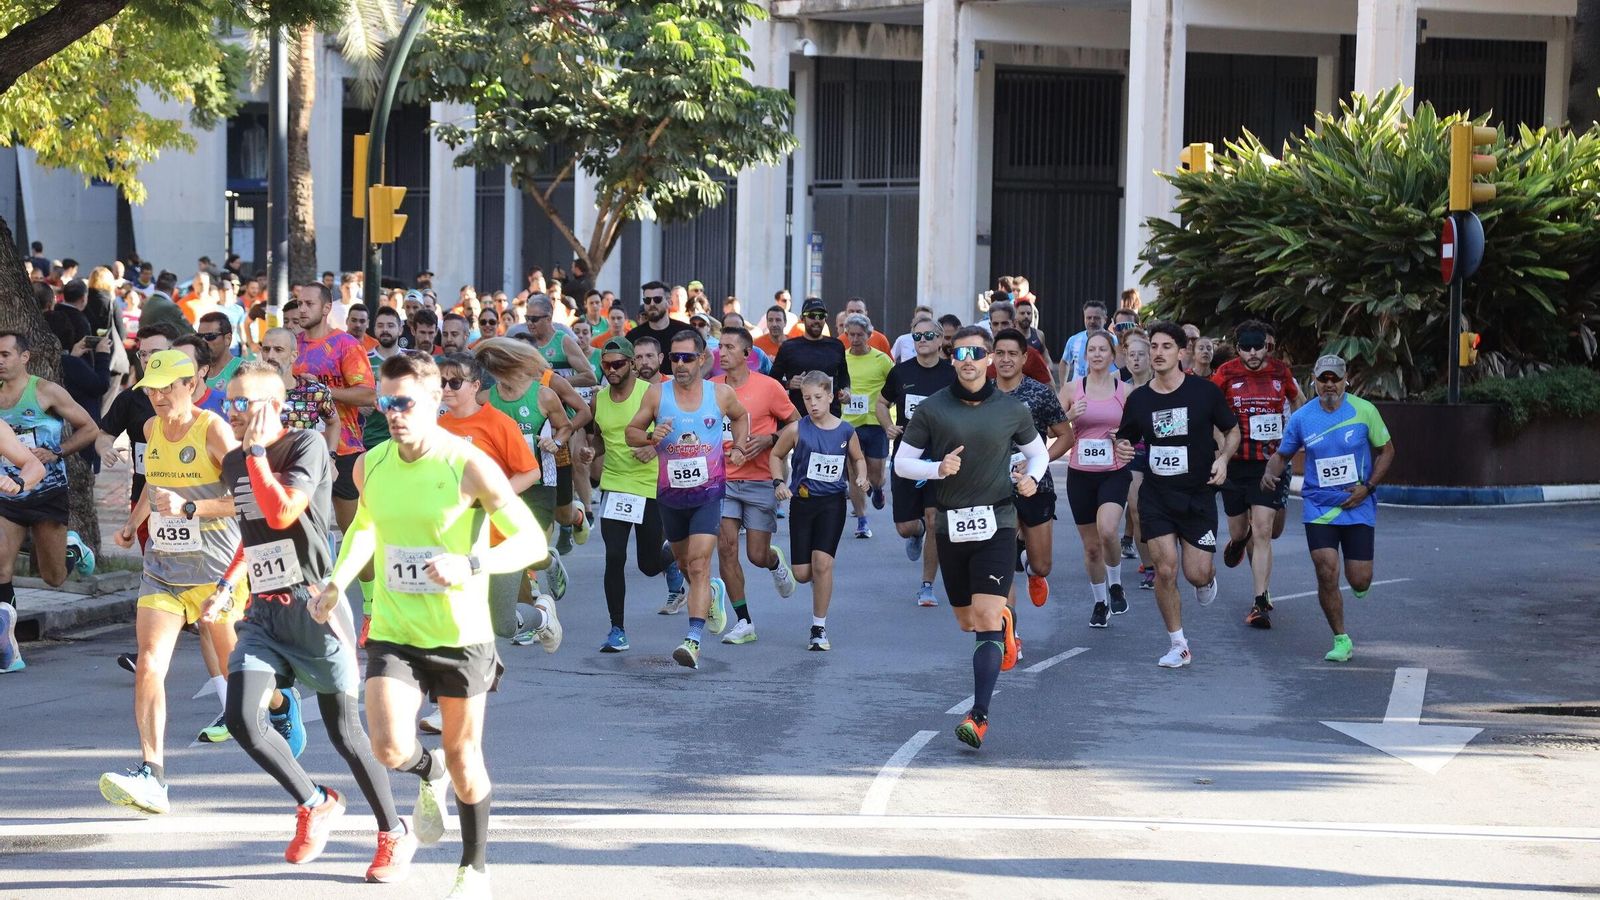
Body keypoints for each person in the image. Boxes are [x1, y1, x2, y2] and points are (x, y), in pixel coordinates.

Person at [311, 351, 548, 899]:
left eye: (405, 403)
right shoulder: (369, 463)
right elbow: (366, 527)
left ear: (436, 401)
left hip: (462, 635)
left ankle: (474, 865)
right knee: (390, 748)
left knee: (468, 760)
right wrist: (338, 580)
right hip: (396, 629)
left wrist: (470, 563)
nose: (393, 413)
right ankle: (426, 771)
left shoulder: (467, 464)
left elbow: (530, 541)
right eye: (385, 402)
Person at [216, 361, 414, 880]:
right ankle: (314, 801)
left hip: (316, 607)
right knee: (241, 718)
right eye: (228, 402)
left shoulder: (305, 445)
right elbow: (254, 529)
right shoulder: (235, 460)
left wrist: (258, 456)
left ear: (272, 406)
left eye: (242, 404)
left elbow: (283, 513)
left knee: (347, 735)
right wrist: (227, 582)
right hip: (263, 612)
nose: (231, 412)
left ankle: (394, 831)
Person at [99, 350, 250, 812]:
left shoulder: (214, 430)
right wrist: (133, 521)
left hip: (214, 572)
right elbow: (153, 481)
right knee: (149, 663)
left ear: (192, 384)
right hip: (163, 569)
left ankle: (281, 708)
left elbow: (247, 500)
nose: (159, 397)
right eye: (152, 389)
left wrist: (190, 509)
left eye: (168, 388)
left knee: (237, 676)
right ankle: (153, 774)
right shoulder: (149, 429)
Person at [892, 327, 1047, 749]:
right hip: (949, 524)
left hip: (998, 521)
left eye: (976, 352)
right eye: (959, 352)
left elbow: (1039, 452)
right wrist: (936, 469)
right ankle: (1004, 623)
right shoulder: (932, 409)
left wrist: (1030, 480)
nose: (968, 359)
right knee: (967, 621)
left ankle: (978, 716)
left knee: (984, 621)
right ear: (951, 356)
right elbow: (903, 464)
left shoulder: (1011, 409)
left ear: (989, 360)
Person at [1113, 323, 1238, 668]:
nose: (1157, 352)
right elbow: (1124, 438)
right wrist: (1122, 449)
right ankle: (1178, 644)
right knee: (1165, 570)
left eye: (1166, 346)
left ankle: (1206, 578)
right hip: (1157, 495)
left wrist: (1224, 458)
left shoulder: (1204, 392)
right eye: (1154, 346)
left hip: (1197, 494)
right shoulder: (1139, 399)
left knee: (1195, 573)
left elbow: (1232, 430)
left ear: (1181, 352)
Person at [625, 330, 750, 669]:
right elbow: (631, 433)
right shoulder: (656, 394)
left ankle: (692, 640)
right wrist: (651, 437)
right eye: (675, 357)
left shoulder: (720, 394)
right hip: (669, 496)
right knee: (683, 564)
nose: (680, 364)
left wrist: (738, 446)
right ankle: (711, 591)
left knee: (697, 563)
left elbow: (741, 417)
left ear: (701, 359)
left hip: (709, 494)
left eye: (687, 358)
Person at [1263, 355, 1396, 663]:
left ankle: (1360, 584)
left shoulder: (1364, 411)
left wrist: (1369, 487)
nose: (1329, 384)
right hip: (1319, 506)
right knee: (1326, 570)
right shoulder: (1302, 418)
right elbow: (1282, 456)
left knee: (1359, 578)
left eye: (1335, 378)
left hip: (1358, 502)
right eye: (1323, 379)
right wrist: (1270, 472)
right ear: (1314, 380)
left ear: (1345, 378)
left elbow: (1387, 450)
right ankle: (1341, 638)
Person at [434, 353, 553, 653]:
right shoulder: (435, 428)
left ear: (474, 385)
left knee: (503, 625)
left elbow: (531, 472)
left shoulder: (498, 422)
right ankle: (457, 684)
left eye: (455, 382)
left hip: (498, 537)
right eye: (441, 382)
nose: (446, 388)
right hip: (453, 539)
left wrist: (492, 497)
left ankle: (542, 616)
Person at [580, 337, 687, 651]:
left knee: (648, 565)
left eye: (618, 364)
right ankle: (617, 629)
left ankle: (670, 559)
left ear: (630, 365)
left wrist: (653, 448)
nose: (611, 370)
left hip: (648, 486)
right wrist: (590, 452)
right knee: (614, 557)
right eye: (606, 365)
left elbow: (679, 433)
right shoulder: (599, 399)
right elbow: (601, 438)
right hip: (615, 485)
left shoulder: (650, 394)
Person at [0, 331, 100, 668]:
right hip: (8, 494)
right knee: (1, 566)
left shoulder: (45, 392)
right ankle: (7, 649)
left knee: (53, 577)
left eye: (5, 355)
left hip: (48, 493)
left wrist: (55, 452)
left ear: (24, 357)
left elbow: (89, 428)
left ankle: (72, 547)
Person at [711, 327, 800, 646]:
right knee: (726, 546)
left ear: (747, 354)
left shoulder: (769, 387)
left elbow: (796, 423)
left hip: (761, 478)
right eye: (720, 346)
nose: (722, 352)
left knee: (756, 554)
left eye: (730, 347)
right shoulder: (711, 388)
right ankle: (744, 621)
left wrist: (769, 440)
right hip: (722, 479)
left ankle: (773, 561)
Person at [1213, 320, 1303, 629]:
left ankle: (1260, 602)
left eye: (1258, 347)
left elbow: (1298, 403)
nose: (1253, 354)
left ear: (1266, 346)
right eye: (1246, 348)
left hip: (1267, 464)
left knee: (1264, 530)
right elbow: (1210, 410)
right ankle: (1239, 542)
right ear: (1237, 348)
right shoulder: (1225, 373)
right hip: (1236, 462)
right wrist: (1220, 448)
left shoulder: (1280, 371)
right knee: (1241, 531)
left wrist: (1289, 441)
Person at [770, 371, 868, 650]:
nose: (812, 404)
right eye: (806, 398)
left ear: (829, 396)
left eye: (817, 398)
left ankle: (819, 628)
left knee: (823, 564)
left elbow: (858, 459)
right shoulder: (797, 429)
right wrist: (779, 482)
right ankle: (788, 568)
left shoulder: (846, 430)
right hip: (802, 502)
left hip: (831, 503)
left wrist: (861, 476)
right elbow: (775, 455)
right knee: (803, 574)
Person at [991, 328, 1071, 620]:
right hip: (995, 487)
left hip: (1036, 484)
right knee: (1000, 560)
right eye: (1000, 353)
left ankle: (1032, 567)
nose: (1006, 359)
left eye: (1013, 354)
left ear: (1025, 357)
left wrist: (1038, 460)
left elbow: (1065, 437)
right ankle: (1009, 632)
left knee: (1042, 564)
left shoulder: (1039, 393)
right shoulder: (982, 393)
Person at [877, 314, 955, 607]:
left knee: (935, 519)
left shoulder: (951, 374)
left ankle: (927, 585)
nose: (922, 341)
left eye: (928, 335)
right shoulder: (901, 373)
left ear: (939, 340)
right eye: (916, 336)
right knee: (906, 526)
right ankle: (917, 532)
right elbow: (882, 403)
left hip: (939, 460)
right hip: (907, 456)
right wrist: (887, 425)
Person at [292, 282, 377, 544]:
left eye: (309, 304)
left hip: (343, 449)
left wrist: (320, 390)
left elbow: (367, 395)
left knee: (353, 534)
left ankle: (368, 586)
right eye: (299, 304)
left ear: (327, 308)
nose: (302, 310)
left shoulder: (345, 344)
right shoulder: (291, 345)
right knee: (301, 534)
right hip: (299, 449)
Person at [1063, 330, 1134, 627]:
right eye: (1091, 349)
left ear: (1113, 354)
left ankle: (1115, 582)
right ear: (1084, 355)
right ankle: (1100, 602)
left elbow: (1138, 432)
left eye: (1102, 349)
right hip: (1080, 474)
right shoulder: (1071, 389)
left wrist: (1126, 438)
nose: (1096, 354)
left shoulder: (1125, 391)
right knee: (1092, 547)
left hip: (1114, 472)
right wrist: (1069, 414)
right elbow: (1051, 428)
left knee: (1107, 530)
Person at [840, 314, 893, 539]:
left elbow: (895, 387)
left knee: (876, 475)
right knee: (854, 473)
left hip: (874, 422)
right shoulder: (841, 359)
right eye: (850, 334)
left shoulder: (881, 360)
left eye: (859, 335)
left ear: (869, 335)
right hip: (850, 424)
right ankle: (862, 520)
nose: (854, 339)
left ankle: (879, 489)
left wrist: (886, 404)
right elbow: (834, 385)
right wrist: (841, 395)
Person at [259, 329, 339, 453]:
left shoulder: (315, 391)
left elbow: (334, 423)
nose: (270, 356)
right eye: (266, 349)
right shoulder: (251, 391)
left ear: (294, 356)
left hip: (302, 468)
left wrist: (330, 457)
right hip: (262, 469)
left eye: (278, 350)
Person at [769, 297, 850, 416]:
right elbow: (772, 381)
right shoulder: (789, 347)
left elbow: (844, 377)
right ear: (802, 318)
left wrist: (847, 391)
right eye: (812, 315)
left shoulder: (836, 346)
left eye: (821, 315)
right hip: (799, 417)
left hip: (830, 416)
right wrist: (789, 384)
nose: (817, 320)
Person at [625, 281, 695, 350]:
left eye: (657, 299)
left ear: (669, 302)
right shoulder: (633, 336)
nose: (652, 304)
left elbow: (704, 355)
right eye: (647, 300)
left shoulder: (687, 332)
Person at [1058, 299, 1110, 385]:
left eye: (1096, 318)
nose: (1092, 321)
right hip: (1078, 395)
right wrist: (1063, 387)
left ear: (1105, 319)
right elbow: (1064, 362)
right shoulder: (1074, 340)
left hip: (1104, 393)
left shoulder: (1114, 342)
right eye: (1089, 318)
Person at [197, 311, 243, 392]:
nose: (203, 341)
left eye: (210, 336)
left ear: (227, 339)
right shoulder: (194, 370)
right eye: (199, 337)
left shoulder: (243, 370)